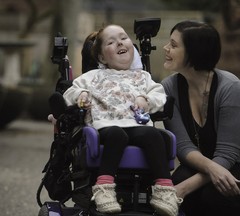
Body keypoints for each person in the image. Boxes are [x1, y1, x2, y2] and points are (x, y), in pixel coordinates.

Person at [161, 20, 240, 216]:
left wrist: (183, 190)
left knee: (211, 196)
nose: (166, 48)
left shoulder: (230, 88)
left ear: (194, 53)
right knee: (179, 180)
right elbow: (183, 147)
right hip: (210, 163)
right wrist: (209, 170)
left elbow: (227, 154)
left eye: (174, 45)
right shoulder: (169, 88)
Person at [63, 24, 182, 215]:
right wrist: (82, 95)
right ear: (102, 57)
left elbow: (160, 96)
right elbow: (70, 91)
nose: (119, 42)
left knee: (153, 134)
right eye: (111, 42)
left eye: (123, 38)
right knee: (117, 135)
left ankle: (164, 190)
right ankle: (104, 188)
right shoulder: (94, 76)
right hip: (105, 126)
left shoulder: (143, 77)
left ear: (132, 49)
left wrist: (146, 99)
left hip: (136, 124)